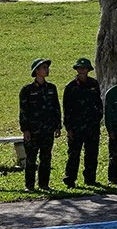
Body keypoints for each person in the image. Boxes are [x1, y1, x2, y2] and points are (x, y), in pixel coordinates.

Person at [18, 57, 61, 193]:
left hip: (47, 130)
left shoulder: (52, 88)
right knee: (31, 158)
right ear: (36, 71)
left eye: (47, 68)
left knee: (46, 158)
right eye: (44, 68)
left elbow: (56, 108)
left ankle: (44, 184)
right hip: (33, 130)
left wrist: (58, 126)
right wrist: (25, 130)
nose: (47, 70)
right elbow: (23, 111)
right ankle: (29, 185)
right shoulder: (27, 90)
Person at [62, 57, 103, 187]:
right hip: (76, 127)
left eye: (84, 68)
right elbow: (66, 108)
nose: (82, 70)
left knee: (91, 153)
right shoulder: (71, 87)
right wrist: (68, 128)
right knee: (74, 154)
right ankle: (70, 179)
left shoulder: (94, 84)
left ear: (88, 70)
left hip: (92, 126)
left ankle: (90, 179)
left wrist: (97, 119)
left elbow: (99, 103)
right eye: (80, 68)